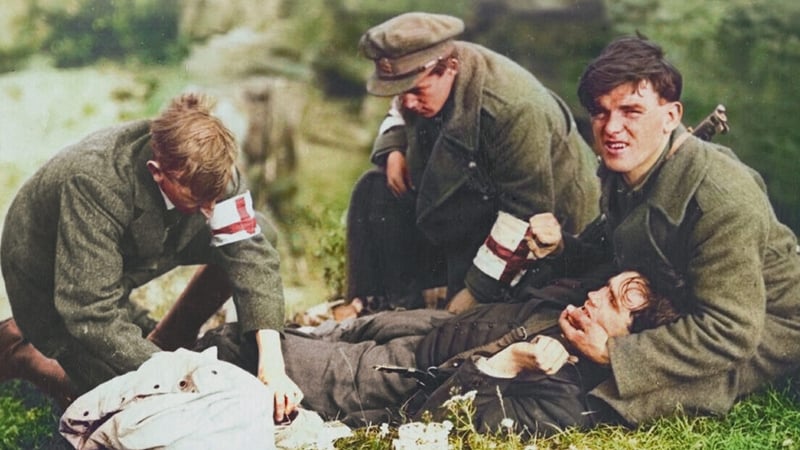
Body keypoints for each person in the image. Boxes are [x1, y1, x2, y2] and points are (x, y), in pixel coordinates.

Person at [538, 35, 800, 425]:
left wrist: (615, 353)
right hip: (679, 297)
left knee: (589, 398)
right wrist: (562, 248)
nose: (612, 128)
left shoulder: (720, 198)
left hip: (764, 325)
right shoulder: (631, 169)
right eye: (600, 111)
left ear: (672, 116)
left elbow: (731, 329)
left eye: (631, 110)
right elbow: (623, 250)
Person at [0, 93, 302, 421]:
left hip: (132, 244)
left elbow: (250, 252)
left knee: (260, 234)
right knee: (121, 400)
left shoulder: (210, 168)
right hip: (48, 267)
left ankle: (168, 339)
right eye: (200, 200)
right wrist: (178, 377)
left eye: (215, 198)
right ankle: (18, 350)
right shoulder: (95, 180)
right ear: (157, 172)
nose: (212, 212)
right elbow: (89, 310)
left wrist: (272, 364)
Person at [201, 263, 681, 436]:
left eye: (612, 302)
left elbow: (439, 420)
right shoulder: (567, 317)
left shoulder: (565, 401)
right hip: (420, 329)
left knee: (236, 347)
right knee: (282, 336)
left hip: (394, 374)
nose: (595, 296)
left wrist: (507, 364)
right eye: (607, 287)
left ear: (628, 344)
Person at [345, 12, 600, 312]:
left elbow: (524, 215)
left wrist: (474, 292)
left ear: (450, 67)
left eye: (415, 91)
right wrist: (394, 148)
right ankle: (379, 306)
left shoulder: (513, 109)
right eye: (402, 92)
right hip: (480, 197)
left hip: (553, 232)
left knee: (460, 322)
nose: (409, 101)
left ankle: (430, 309)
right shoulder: (426, 72)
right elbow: (400, 106)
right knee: (373, 190)